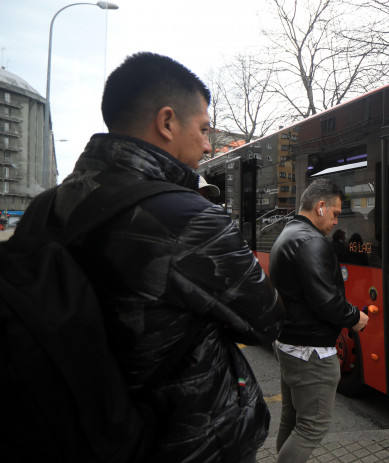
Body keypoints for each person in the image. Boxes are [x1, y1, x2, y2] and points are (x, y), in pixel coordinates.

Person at [16, 52, 285, 462]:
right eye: (203, 128)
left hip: (72, 432)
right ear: (166, 122)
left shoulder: (43, 210)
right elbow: (267, 321)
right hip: (183, 442)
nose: (208, 144)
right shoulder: (190, 217)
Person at [268, 178, 369, 463]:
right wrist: (354, 317)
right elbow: (326, 301)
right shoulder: (311, 241)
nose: (336, 221)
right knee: (313, 426)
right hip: (311, 352)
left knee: (292, 419)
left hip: (290, 344)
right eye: (336, 213)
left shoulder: (289, 233)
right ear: (321, 207)